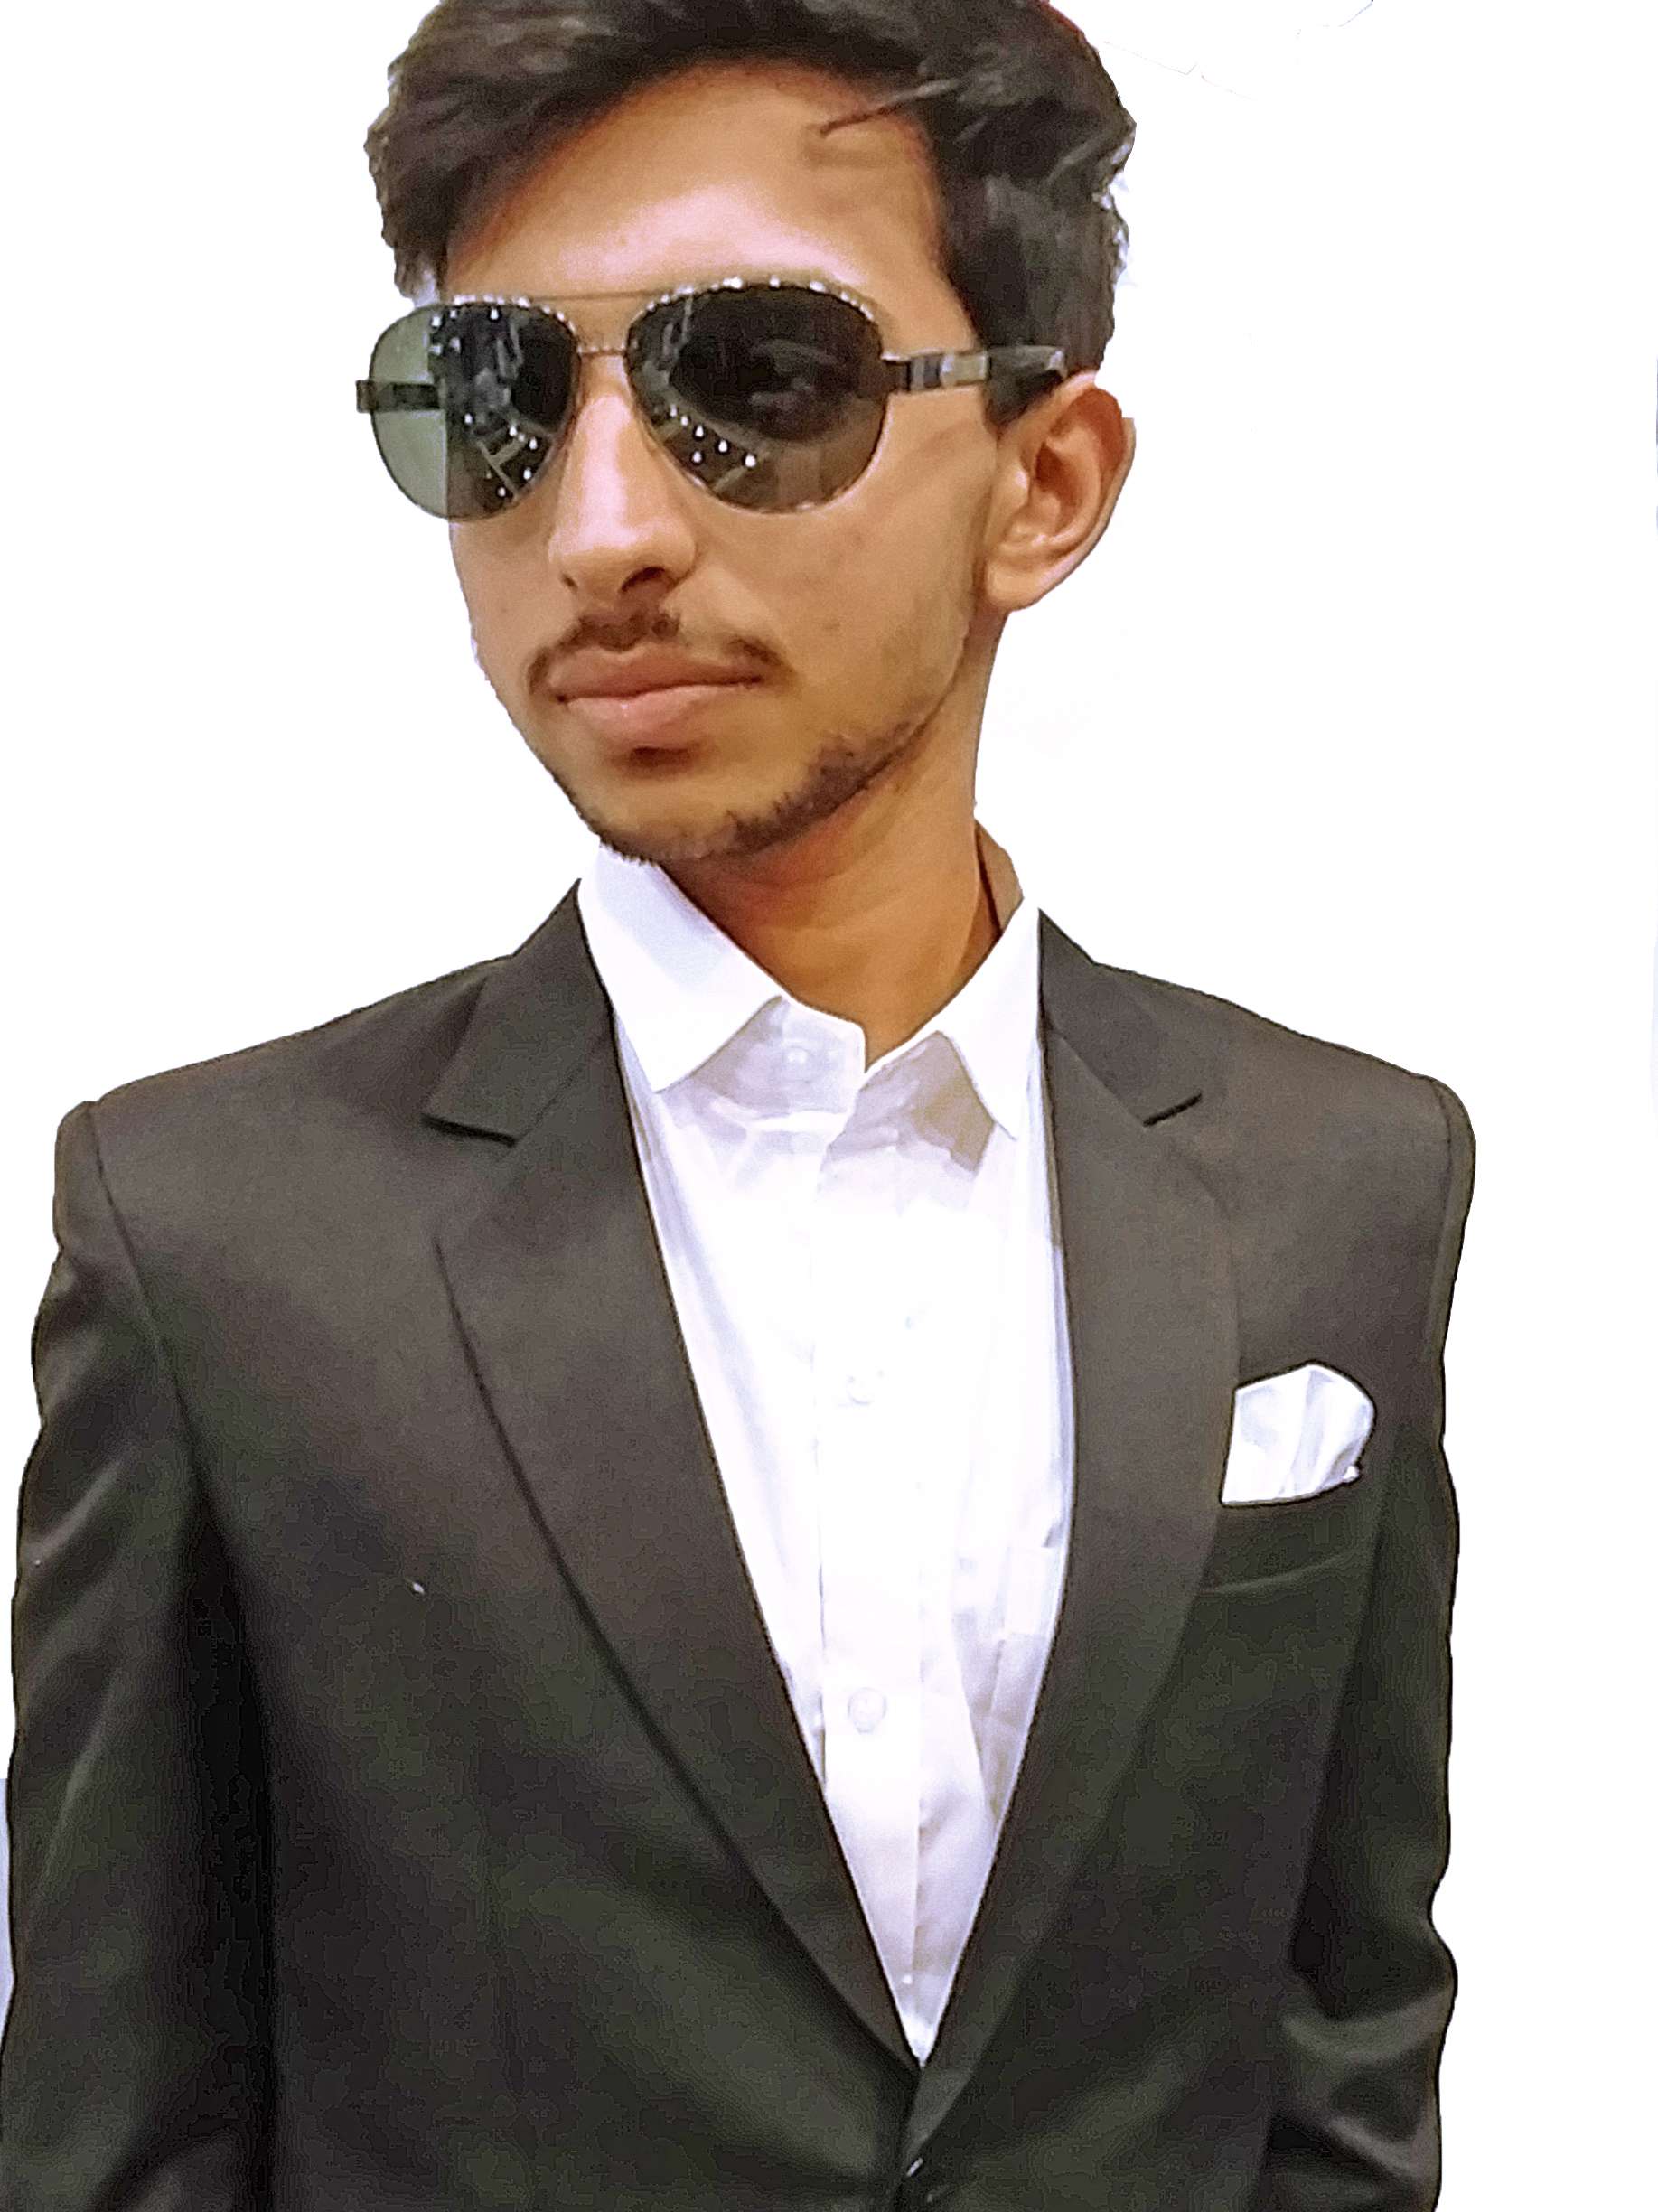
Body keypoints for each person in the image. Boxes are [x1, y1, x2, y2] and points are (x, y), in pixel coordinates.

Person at [0, 2, 1475, 2206]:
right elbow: (114, 2130)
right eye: (495, 400)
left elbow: (1341, 2045)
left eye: (761, 380)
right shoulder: (218, 1244)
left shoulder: (1338, 1188)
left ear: (1046, 484)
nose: (601, 526)